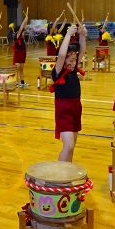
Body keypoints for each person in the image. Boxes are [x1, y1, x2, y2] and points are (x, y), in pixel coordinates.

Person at [49, 24, 86, 162]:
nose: (73, 63)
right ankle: (60, 173)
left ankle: (68, 171)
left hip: (76, 107)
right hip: (63, 109)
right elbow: (62, 54)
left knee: (72, 145)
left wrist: (82, 35)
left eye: (75, 60)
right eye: (70, 61)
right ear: (63, 62)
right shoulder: (57, 72)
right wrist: (68, 35)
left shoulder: (73, 70)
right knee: (68, 145)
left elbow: (81, 51)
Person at [11, 16, 29, 87]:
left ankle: (22, 82)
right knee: (17, 68)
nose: (23, 32)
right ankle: (15, 82)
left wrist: (25, 22)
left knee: (21, 68)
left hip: (23, 53)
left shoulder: (21, 38)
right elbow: (21, 28)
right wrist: (24, 20)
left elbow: (23, 28)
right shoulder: (17, 36)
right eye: (22, 31)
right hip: (18, 53)